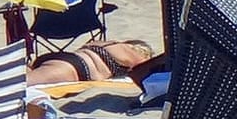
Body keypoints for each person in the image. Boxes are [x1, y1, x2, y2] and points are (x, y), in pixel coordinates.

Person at [27, 40, 156, 85]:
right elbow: (147, 68)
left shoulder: (105, 43)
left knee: (16, 79)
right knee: (21, 86)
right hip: (76, 68)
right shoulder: (129, 52)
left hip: (64, 57)